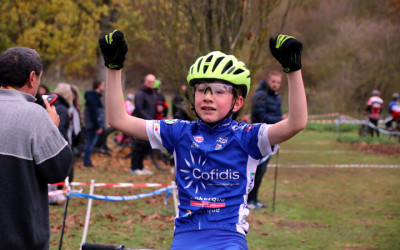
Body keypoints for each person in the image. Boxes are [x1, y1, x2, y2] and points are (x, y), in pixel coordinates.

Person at [100, 30, 306, 249]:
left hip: (228, 239)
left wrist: (293, 70)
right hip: (185, 237)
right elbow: (118, 119)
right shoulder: (179, 132)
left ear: (237, 102)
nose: (208, 96)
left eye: (219, 91)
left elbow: (296, 123)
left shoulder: (248, 137)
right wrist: (113, 68)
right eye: (201, 89)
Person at [0, 47, 72, 249]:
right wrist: (52, 127)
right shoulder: (35, 116)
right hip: (20, 239)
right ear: (32, 78)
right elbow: (58, 170)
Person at [248, 69, 286, 210]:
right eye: (273, 81)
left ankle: (254, 199)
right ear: (267, 80)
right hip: (259, 138)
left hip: (271, 139)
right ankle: (249, 200)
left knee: (262, 171)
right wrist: (281, 120)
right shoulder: (260, 96)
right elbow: (260, 117)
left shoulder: (276, 97)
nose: (275, 84)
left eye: (278, 82)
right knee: (255, 171)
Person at [129, 74, 158, 175]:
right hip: (141, 123)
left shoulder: (154, 94)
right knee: (138, 146)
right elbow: (139, 109)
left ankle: (141, 167)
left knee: (145, 146)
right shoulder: (140, 94)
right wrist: (148, 120)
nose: (151, 84)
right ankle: (134, 167)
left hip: (151, 124)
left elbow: (153, 109)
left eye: (153, 82)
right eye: (149, 82)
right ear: (145, 82)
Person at [83, 79, 105, 167]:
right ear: (99, 86)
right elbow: (94, 112)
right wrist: (98, 125)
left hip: (93, 124)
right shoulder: (93, 97)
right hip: (93, 125)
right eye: (102, 85)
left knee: (90, 143)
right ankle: (87, 162)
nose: (103, 87)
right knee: (90, 143)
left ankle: (87, 161)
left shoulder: (95, 96)